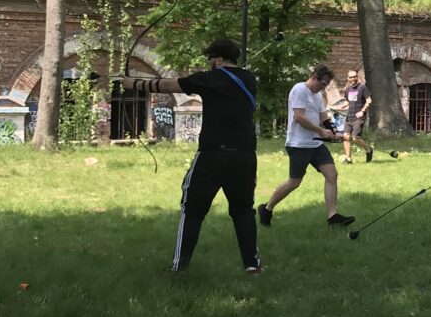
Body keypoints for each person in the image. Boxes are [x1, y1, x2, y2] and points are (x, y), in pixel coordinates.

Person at [118, 39, 262, 274]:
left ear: (217, 59)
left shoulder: (209, 79)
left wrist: (132, 83)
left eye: (210, 59)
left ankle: (179, 266)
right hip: (245, 154)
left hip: (213, 154)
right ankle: (252, 265)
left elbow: (168, 85)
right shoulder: (249, 79)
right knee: (243, 209)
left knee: (192, 208)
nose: (208, 63)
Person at [258, 64, 354, 228]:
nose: (323, 88)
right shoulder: (299, 90)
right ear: (314, 77)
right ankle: (267, 209)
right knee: (294, 182)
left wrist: (334, 131)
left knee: (331, 175)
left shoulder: (318, 95)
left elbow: (324, 117)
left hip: (315, 144)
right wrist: (320, 131)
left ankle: (332, 217)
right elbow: (299, 117)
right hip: (299, 144)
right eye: (322, 84)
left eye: (326, 85)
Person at [340, 69, 373, 164]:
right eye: (351, 77)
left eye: (355, 76)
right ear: (348, 78)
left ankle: (368, 149)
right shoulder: (348, 89)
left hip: (359, 117)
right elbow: (348, 101)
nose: (353, 79)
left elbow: (369, 100)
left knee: (355, 138)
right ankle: (348, 158)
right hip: (349, 117)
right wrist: (339, 106)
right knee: (346, 137)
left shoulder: (362, 87)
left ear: (357, 77)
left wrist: (362, 111)